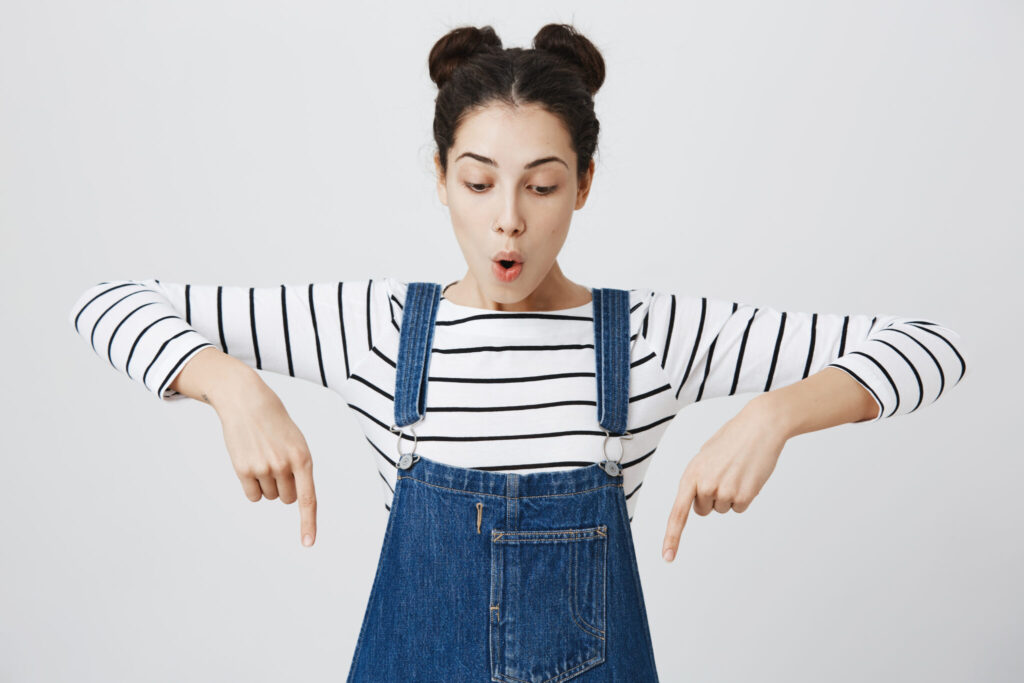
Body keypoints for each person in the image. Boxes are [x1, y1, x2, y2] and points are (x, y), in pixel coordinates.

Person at [66, 23, 967, 682]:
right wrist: (231, 386)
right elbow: (108, 301)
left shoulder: (649, 335)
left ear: (583, 186)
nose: (509, 217)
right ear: (439, 178)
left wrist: (774, 413)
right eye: (478, 181)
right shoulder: (374, 326)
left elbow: (930, 346)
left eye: (542, 185)